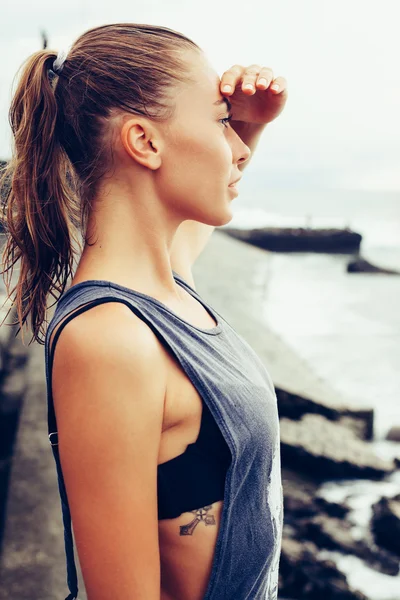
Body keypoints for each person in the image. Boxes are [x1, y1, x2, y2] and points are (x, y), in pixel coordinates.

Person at [0, 22, 288, 600]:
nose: (234, 148)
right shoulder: (111, 340)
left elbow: (197, 219)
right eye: (219, 121)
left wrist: (250, 125)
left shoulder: (165, 288)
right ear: (145, 142)